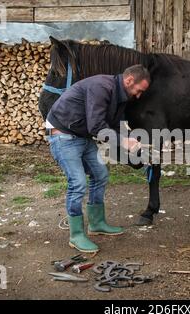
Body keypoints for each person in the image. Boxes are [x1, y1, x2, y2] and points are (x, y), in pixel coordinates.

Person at [45, 65, 151, 253]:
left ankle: (97, 223)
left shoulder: (120, 96)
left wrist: (133, 147)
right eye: (139, 90)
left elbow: (113, 126)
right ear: (129, 81)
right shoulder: (101, 87)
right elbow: (96, 127)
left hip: (82, 136)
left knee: (100, 174)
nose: (139, 95)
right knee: (77, 183)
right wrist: (123, 141)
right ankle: (76, 235)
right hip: (63, 136)